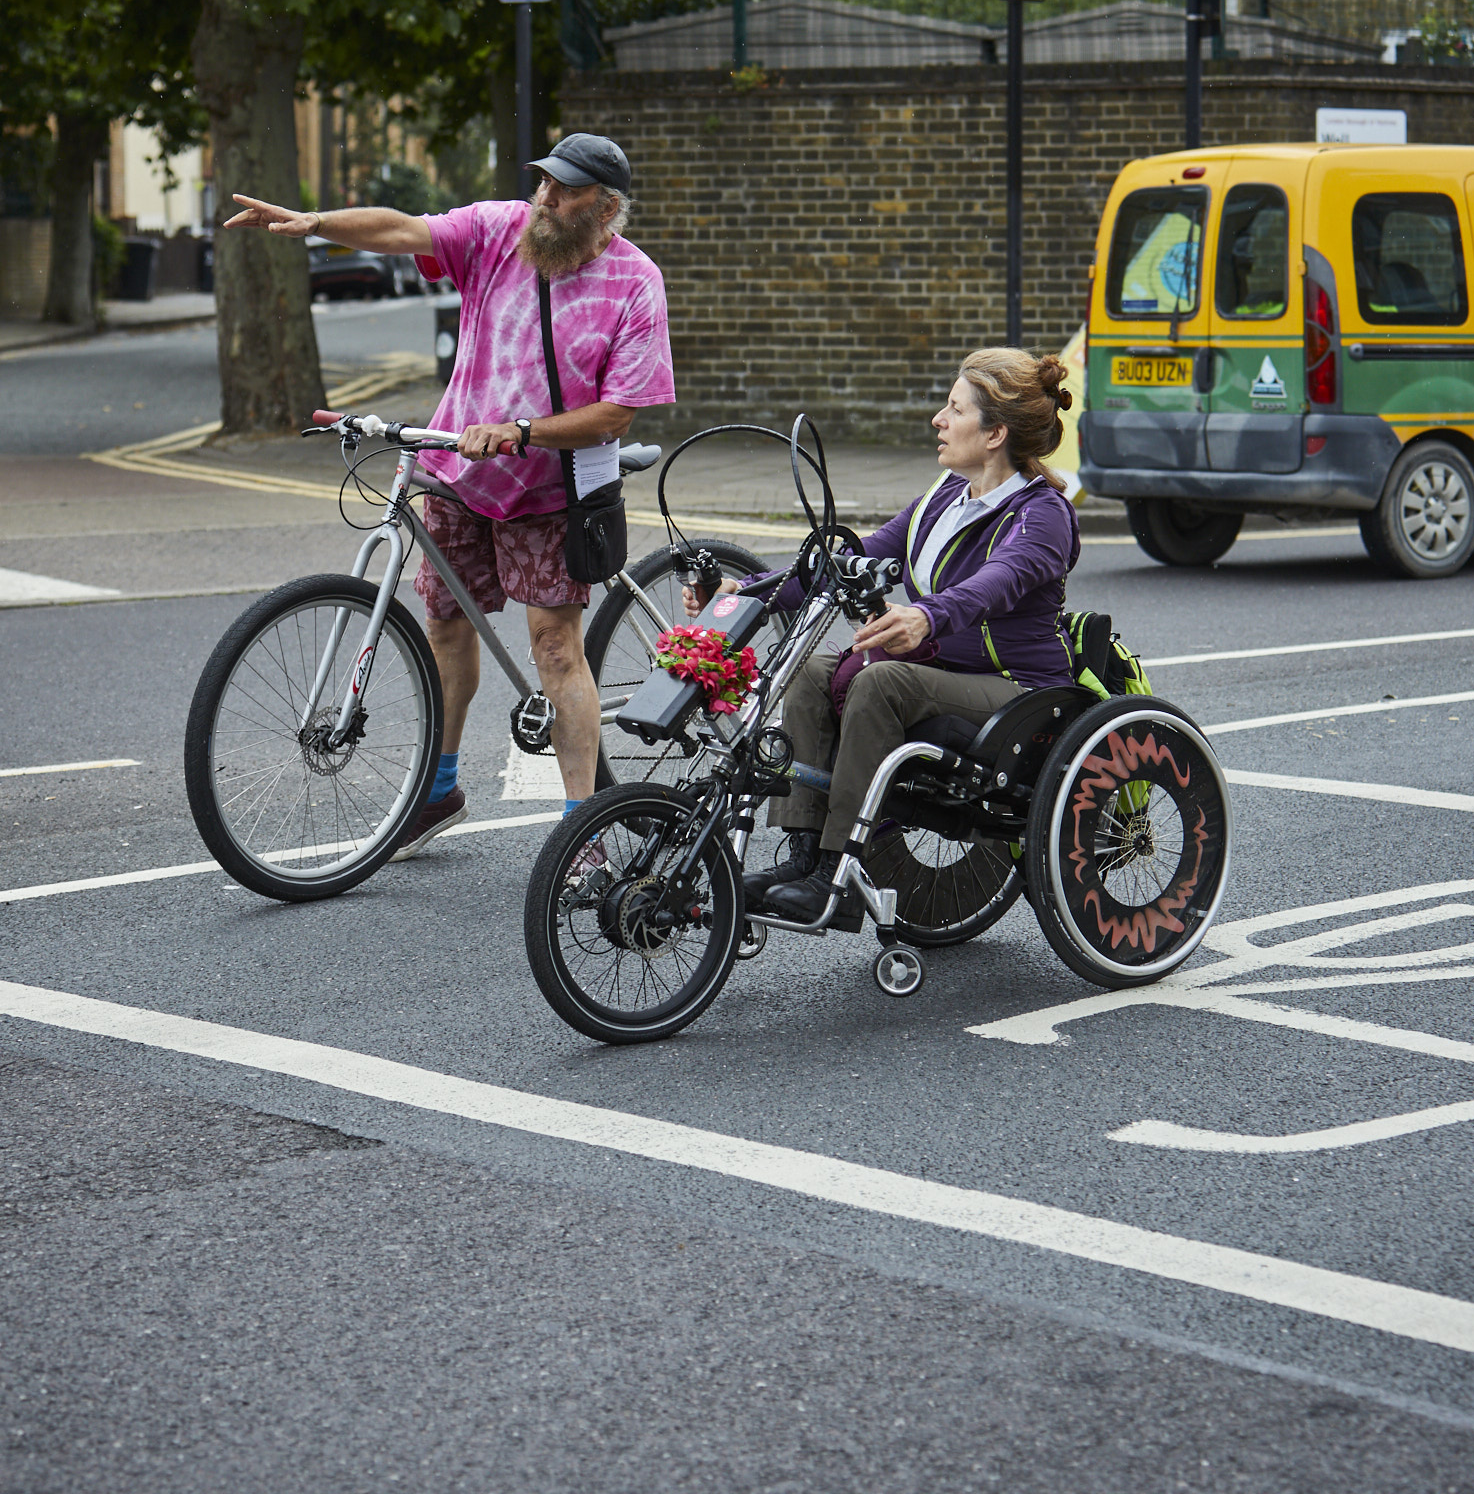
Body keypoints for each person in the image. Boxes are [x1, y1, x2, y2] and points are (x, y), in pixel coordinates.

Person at [224, 132, 675, 854]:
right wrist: (315, 226)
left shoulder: (634, 281)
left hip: (552, 490)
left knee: (556, 649)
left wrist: (522, 430)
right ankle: (437, 790)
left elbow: (619, 413)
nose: (547, 199)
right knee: (443, 627)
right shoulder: (499, 232)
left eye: (567, 190)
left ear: (606, 206)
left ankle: (580, 829)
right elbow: (406, 229)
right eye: (545, 184)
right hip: (458, 473)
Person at [692, 349, 1078, 925]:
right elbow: (853, 559)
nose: (937, 420)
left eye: (954, 409)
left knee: (881, 681)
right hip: (944, 674)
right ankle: (802, 855)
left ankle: (836, 875)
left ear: (995, 432)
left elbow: (999, 583)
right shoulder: (946, 493)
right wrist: (744, 591)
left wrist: (928, 616)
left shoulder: (1042, 514)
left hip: (1019, 690)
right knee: (809, 673)